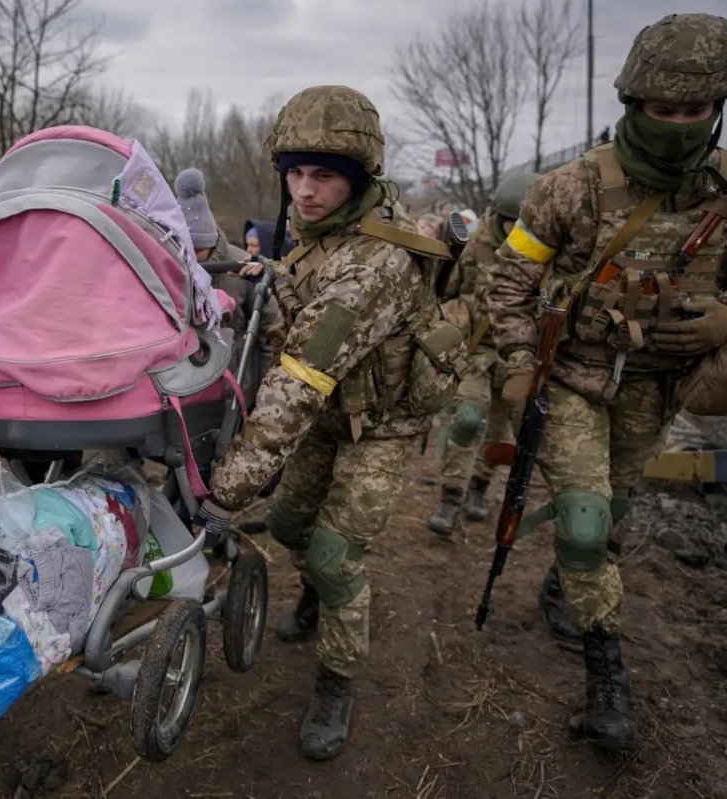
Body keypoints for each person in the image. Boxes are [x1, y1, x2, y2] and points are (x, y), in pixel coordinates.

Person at [487, 13, 727, 750]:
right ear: (633, 103)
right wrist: (522, 364)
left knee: (610, 514)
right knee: (588, 526)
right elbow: (508, 283)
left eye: (696, 112)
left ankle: (567, 585)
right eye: (664, 110)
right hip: (576, 383)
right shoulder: (571, 187)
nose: (681, 125)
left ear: (718, 108)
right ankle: (606, 678)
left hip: (658, 391)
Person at [193, 86, 445, 760]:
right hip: (333, 414)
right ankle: (319, 596)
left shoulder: (377, 264)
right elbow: (297, 304)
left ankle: (336, 681)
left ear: (358, 180)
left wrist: (226, 485)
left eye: (324, 176)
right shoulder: (320, 237)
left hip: (379, 425)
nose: (304, 191)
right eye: (295, 174)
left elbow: (299, 381)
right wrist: (265, 279)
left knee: (334, 555)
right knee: (286, 524)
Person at [426, 173, 540, 541]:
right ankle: (450, 497)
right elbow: (447, 292)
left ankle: (478, 486)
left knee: (501, 431)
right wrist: (456, 314)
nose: (513, 232)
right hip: (475, 352)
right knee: (467, 419)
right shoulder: (475, 244)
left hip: (516, 356)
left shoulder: (543, 249)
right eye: (508, 222)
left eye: (521, 225)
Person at [175, 167, 286, 388]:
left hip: (236, 393)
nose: (192, 260)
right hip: (186, 391)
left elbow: (273, 334)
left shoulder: (243, 266)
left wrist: (266, 393)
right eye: (184, 250)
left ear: (210, 241)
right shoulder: (171, 266)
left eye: (197, 251)